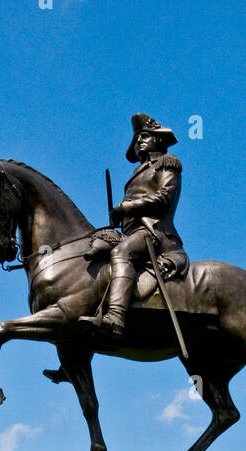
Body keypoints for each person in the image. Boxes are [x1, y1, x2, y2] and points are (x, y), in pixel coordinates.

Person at [80, 113, 188, 338]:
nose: (139, 141)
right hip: (131, 232)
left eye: (145, 136)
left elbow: (163, 199)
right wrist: (118, 219)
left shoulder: (168, 164)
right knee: (97, 251)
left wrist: (127, 207)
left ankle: (116, 318)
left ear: (158, 140)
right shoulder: (137, 172)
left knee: (121, 252)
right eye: (137, 138)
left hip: (154, 232)